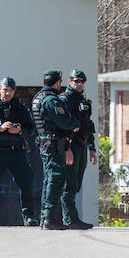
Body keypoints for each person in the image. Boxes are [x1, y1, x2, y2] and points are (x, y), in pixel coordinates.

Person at [0, 77, 39, 227]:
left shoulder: (20, 108)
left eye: (10, 90)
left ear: (14, 91)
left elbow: (31, 129)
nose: (7, 93)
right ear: (0, 89)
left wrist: (20, 130)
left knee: (28, 181)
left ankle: (29, 216)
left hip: (17, 151)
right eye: (5, 90)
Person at [32, 70, 84, 230]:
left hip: (46, 143)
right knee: (55, 179)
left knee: (49, 179)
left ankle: (45, 217)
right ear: (57, 83)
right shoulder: (51, 100)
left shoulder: (37, 97)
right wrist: (75, 124)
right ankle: (49, 218)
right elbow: (62, 121)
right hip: (53, 144)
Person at [61, 69, 97, 229]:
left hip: (81, 145)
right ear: (70, 81)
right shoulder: (64, 100)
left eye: (82, 81)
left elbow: (88, 126)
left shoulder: (83, 101)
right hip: (70, 145)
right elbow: (63, 127)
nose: (79, 84)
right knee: (69, 183)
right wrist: (67, 147)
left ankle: (69, 218)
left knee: (76, 184)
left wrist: (92, 148)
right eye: (76, 81)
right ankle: (70, 219)